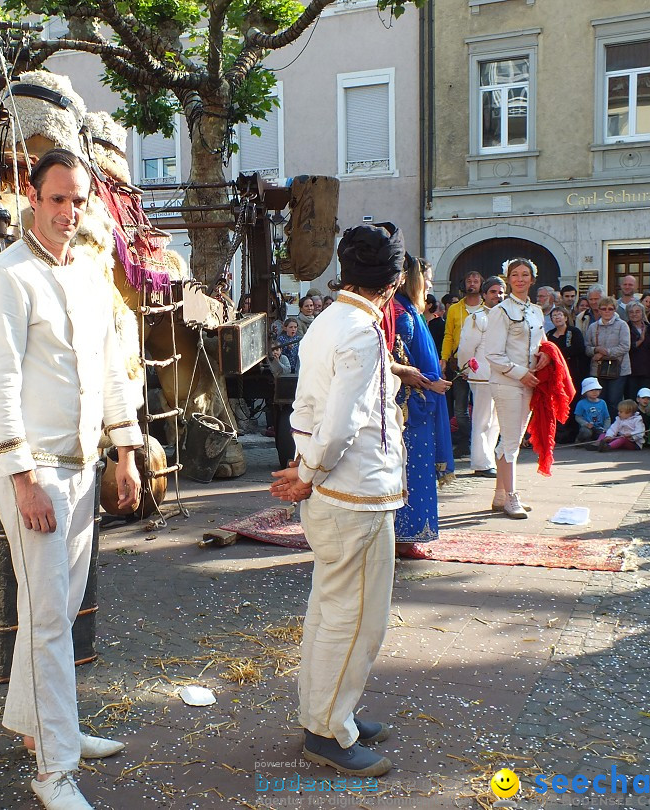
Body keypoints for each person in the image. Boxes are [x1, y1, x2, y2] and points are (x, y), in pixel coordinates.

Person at [0, 149, 142, 810]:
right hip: (33, 471)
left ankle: (43, 726)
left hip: (81, 466)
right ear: (32, 199)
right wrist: (21, 478)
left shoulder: (92, 276)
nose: (69, 213)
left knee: (60, 612)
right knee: (45, 618)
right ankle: (53, 771)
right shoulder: (3, 279)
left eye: (78, 201)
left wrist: (124, 453)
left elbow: (109, 371)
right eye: (58, 200)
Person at [270, 222, 406, 779]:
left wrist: (309, 471)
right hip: (353, 495)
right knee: (354, 621)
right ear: (394, 281)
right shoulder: (361, 330)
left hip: (339, 493)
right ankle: (327, 730)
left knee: (331, 612)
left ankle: (328, 714)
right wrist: (308, 471)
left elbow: (326, 406)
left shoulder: (332, 318)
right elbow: (341, 423)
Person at [393, 256, 454, 546]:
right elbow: (397, 362)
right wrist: (429, 382)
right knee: (411, 471)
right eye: (427, 279)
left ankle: (410, 535)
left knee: (418, 469)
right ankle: (404, 535)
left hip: (422, 399)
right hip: (408, 405)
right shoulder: (400, 313)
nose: (429, 285)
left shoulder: (409, 311)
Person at [484, 258, 549, 519]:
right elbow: (493, 354)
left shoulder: (536, 311)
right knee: (511, 441)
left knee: (511, 439)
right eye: (515, 275)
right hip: (508, 383)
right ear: (508, 279)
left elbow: (542, 341)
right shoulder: (500, 311)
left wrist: (545, 355)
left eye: (525, 275)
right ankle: (511, 497)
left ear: (532, 279)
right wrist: (521, 374)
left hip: (529, 381)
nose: (520, 279)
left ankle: (500, 494)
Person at [458, 275, 503, 476]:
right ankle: (480, 462)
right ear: (484, 295)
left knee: (496, 421)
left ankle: (489, 458)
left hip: (502, 376)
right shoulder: (477, 318)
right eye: (493, 292)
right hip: (482, 375)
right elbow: (466, 348)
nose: (498, 295)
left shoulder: (505, 317)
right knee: (482, 419)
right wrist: (466, 370)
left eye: (501, 292)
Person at [441, 269, 484, 458]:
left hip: (482, 364)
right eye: (469, 280)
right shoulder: (454, 309)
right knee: (460, 409)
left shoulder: (488, 308)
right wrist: (444, 358)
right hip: (459, 363)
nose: (472, 284)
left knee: (483, 407)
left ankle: (482, 443)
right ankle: (467, 441)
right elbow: (449, 335)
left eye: (476, 280)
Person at [584, 296, 630, 418]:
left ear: (615, 310)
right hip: (598, 370)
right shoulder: (593, 327)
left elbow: (625, 346)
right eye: (603, 309)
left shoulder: (622, 325)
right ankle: (601, 430)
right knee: (599, 400)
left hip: (618, 369)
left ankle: (614, 430)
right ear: (598, 310)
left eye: (610, 309)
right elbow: (587, 348)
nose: (607, 311)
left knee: (614, 401)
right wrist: (595, 350)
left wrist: (605, 352)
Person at [547, 306, 587, 443]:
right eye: (554, 316)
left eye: (559, 315)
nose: (557, 318)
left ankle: (571, 433)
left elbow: (578, 348)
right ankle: (558, 432)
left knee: (572, 401)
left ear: (565, 317)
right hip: (555, 374)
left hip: (572, 373)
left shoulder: (573, 332)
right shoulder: (549, 334)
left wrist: (557, 354)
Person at [624, 301, 650, 399]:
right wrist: (641, 340)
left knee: (645, 397)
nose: (634, 314)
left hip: (647, 369)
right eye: (631, 312)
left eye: (637, 311)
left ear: (642, 313)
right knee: (631, 397)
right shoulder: (625, 327)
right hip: (631, 369)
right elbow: (627, 347)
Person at [574, 378, 611, 443]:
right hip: (587, 427)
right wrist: (585, 424)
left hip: (599, 428)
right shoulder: (581, 403)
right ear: (586, 392)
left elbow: (607, 417)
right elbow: (578, 417)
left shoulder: (602, 402)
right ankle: (579, 440)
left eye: (597, 390)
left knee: (604, 436)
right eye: (591, 390)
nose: (595, 392)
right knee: (586, 432)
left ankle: (594, 442)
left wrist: (606, 429)